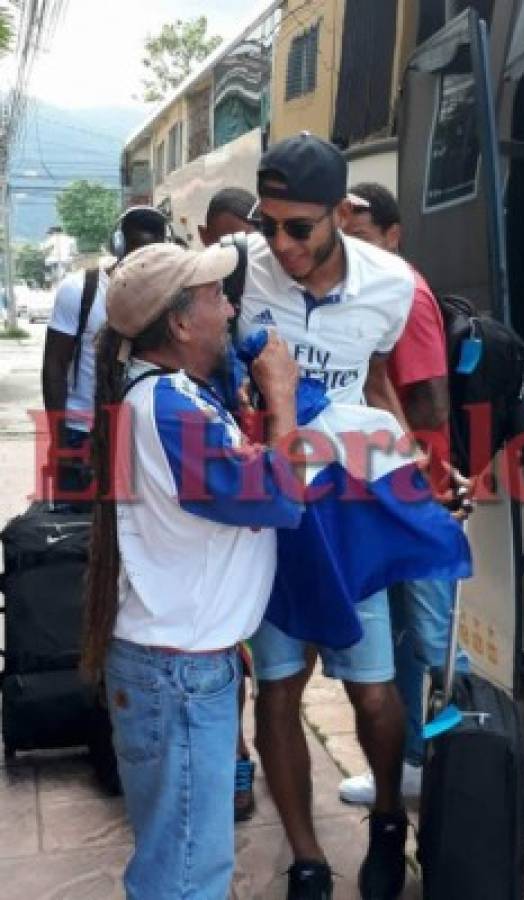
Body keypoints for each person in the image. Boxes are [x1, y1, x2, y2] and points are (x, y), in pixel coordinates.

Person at [81, 241, 303, 900]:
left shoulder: (165, 397)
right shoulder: (171, 410)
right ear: (179, 324)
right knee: (185, 874)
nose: (230, 304)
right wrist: (282, 398)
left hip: (168, 665)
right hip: (177, 674)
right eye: (215, 296)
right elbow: (279, 493)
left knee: (174, 858)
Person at [239, 133, 415, 900]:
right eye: (266, 222)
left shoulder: (391, 284)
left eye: (297, 227)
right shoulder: (242, 271)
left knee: (371, 689)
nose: (278, 243)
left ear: (341, 213)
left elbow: (376, 378)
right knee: (279, 681)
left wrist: (413, 470)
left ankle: (386, 820)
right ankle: (307, 857)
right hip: (271, 501)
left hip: (348, 505)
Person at [339, 182, 455, 804]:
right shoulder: (371, 288)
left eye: (360, 237)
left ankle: (461, 761)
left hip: (419, 490)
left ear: (392, 235)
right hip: (390, 486)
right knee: (409, 634)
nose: (351, 250)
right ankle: (415, 761)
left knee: (436, 638)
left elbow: (432, 397)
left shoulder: (400, 290)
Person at [41, 206, 169, 497]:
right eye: (136, 250)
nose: (143, 262)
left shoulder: (169, 296)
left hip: (140, 436)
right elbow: (54, 367)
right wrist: (59, 441)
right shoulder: (80, 290)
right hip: (81, 433)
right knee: (76, 534)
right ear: (119, 245)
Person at [199, 185, 257, 823]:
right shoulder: (200, 307)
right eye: (219, 239)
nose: (229, 251)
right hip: (232, 490)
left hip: (266, 485)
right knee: (231, 647)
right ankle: (236, 760)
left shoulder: (256, 300)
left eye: (239, 238)